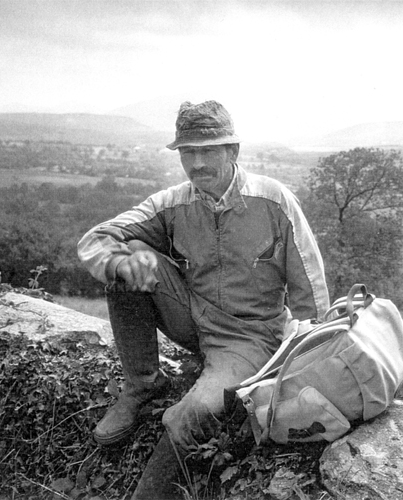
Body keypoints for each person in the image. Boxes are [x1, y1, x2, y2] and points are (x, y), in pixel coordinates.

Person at [77, 100, 329, 498]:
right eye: (187, 153)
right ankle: (143, 384)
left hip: (248, 337)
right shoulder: (172, 203)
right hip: (192, 316)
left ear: (233, 152)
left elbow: (310, 293)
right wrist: (122, 261)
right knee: (126, 260)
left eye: (208, 151)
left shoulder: (275, 202)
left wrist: (297, 371)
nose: (197, 164)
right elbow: (96, 240)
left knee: (192, 413)